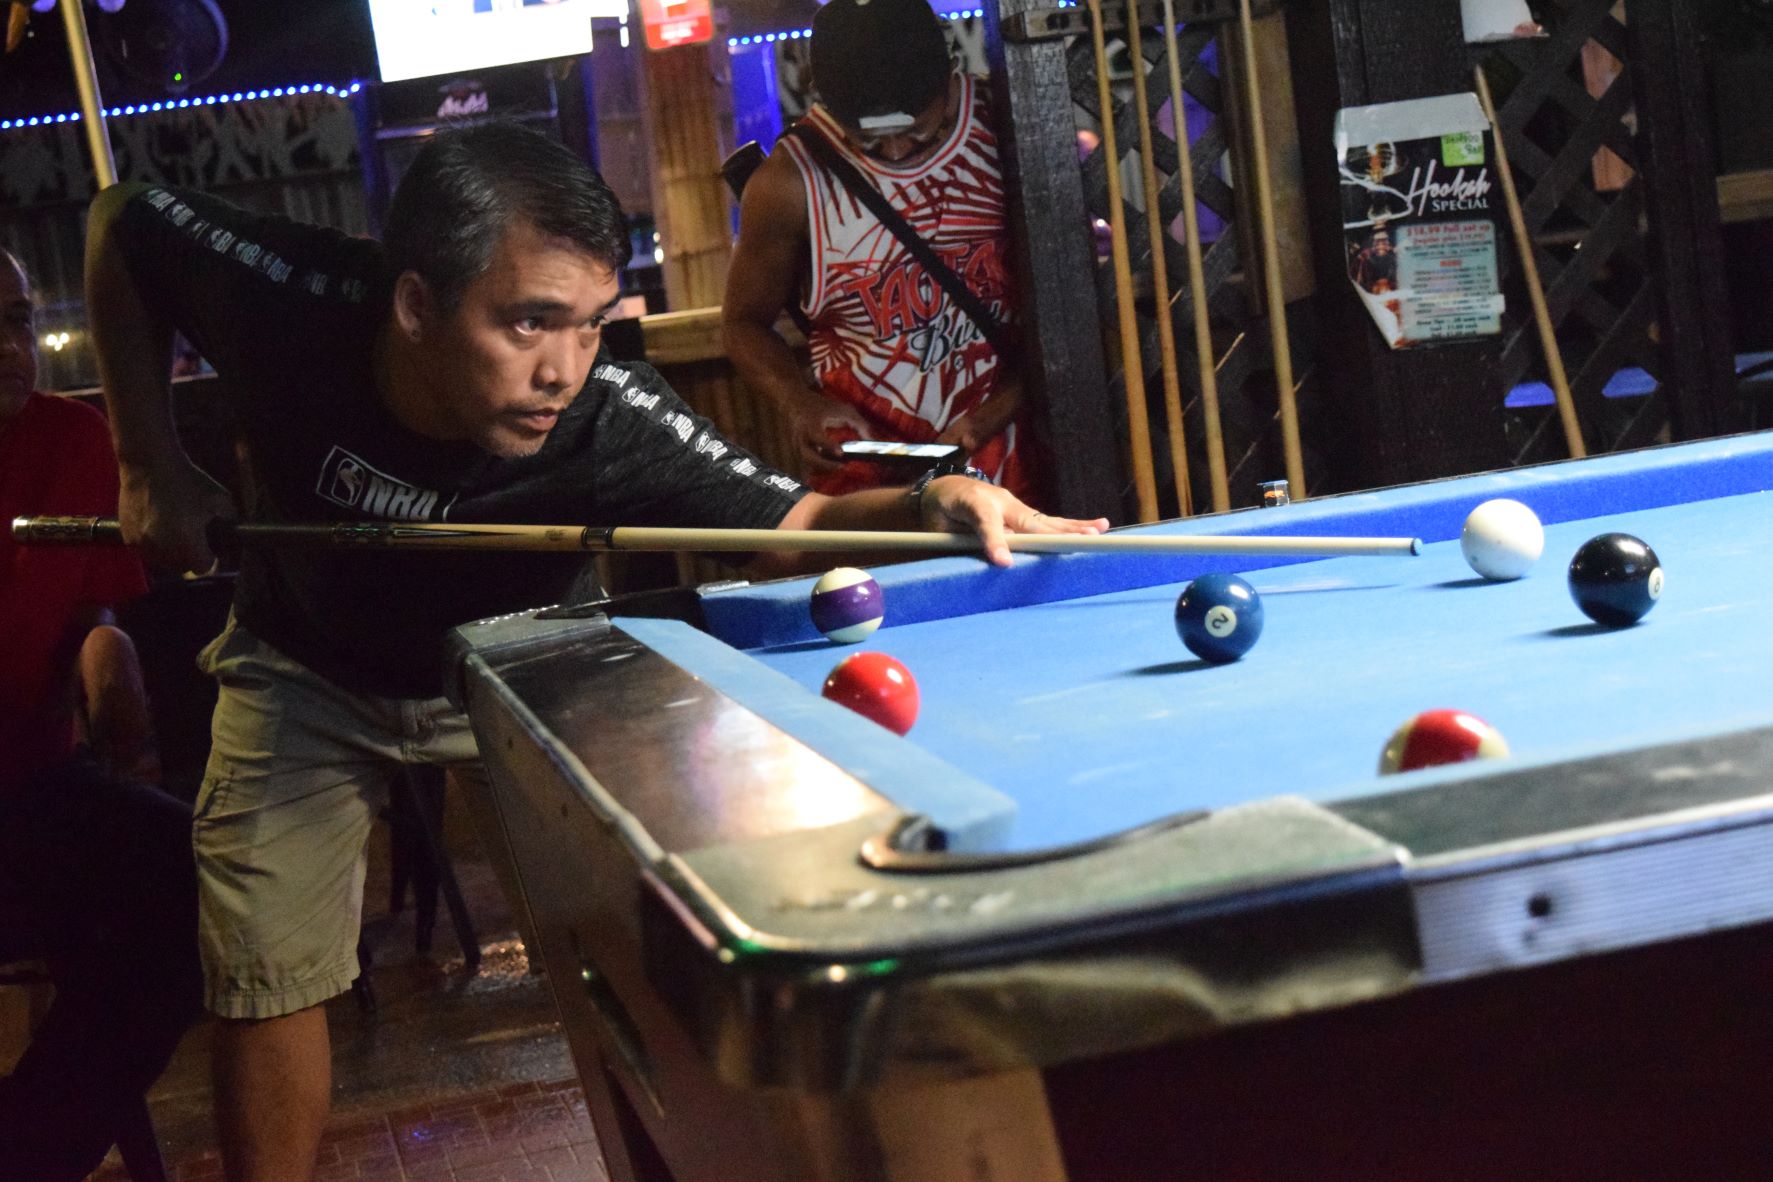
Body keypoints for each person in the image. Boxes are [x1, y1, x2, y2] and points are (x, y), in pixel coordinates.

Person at [83, 121, 1104, 1179]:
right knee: (264, 970)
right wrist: (145, 458)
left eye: (587, 325)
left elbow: (793, 523)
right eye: (529, 323)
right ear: (417, 304)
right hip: (302, 666)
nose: (562, 369)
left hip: (514, 669)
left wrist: (936, 496)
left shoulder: (607, 415)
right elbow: (125, 221)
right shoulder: (291, 297)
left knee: (623, 969)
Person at [0, 247, 203, 1179]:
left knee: (198, 881)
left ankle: (29, 1151)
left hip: (34, 781)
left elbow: (93, 616)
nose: (11, 347)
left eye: (17, 319)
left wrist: (109, 674)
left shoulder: (73, 438)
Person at [722, 0, 1041, 499]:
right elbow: (743, 324)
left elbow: (1070, 300)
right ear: (822, 97)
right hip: (874, 481)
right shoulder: (787, 183)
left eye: (917, 130)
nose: (893, 152)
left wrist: (986, 419)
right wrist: (799, 403)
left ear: (950, 77)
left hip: (1025, 458)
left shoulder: (1008, 123)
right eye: (869, 139)